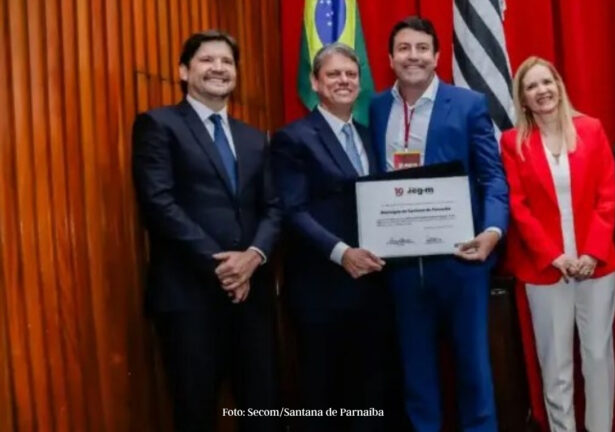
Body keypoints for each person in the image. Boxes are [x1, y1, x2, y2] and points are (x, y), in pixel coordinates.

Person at [131, 30, 281, 431]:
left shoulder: (255, 138)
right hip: (189, 297)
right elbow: (159, 204)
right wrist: (224, 267)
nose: (218, 68)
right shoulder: (158, 125)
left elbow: (273, 208)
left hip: (251, 298)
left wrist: (253, 257)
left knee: (262, 413)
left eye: (227, 61)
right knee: (195, 414)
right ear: (184, 71)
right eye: (207, 60)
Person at [369, 16, 509, 432]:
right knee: (416, 373)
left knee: (473, 369)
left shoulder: (468, 104)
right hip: (401, 266)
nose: (413, 56)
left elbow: (493, 177)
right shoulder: (376, 108)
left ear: (436, 56)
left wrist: (492, 232)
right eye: (404, 48)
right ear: (390, 58)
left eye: (421, 48)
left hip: (461, 260)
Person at [270, 43, 397, 432]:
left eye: (351, 74)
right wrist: (342, 253)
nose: (344, 80)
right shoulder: (294, 137)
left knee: (371, 395)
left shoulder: (370, 136)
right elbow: (292, 210)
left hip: (372, 288)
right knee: (322, 397)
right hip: (321, 290)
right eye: (334, 74)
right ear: (315, 82)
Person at [499, 56, 615, 432]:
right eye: (531, 86)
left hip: (596, 266)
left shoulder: (591, 129)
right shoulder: (512, 142)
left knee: (598, 358)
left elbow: (607, 195)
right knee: (556, 366)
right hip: (545, 271)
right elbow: (518, 207)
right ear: (522, 99)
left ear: (559, 86)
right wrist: (554, 256)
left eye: (546, 82)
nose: (542, 91)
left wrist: (592, 252)